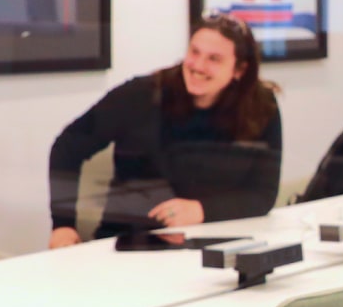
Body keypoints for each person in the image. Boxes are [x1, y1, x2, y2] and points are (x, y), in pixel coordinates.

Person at [49, 15, 283, 247]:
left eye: (214, 59)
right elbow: (66, 147)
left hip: (214, 241)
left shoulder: (261, 107)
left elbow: (263, 195)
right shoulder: (140, 95)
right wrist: (63, 225)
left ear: (239, 70)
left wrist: (201, 210)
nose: (198, 66)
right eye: (194, 52)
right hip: (132, 243)